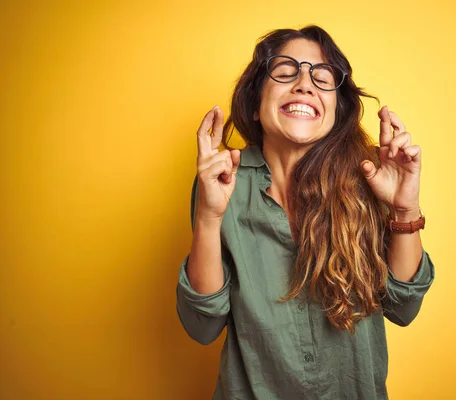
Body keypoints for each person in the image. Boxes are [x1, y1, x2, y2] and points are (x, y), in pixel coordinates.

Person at [176, 25, 435, 400]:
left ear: (335, 110)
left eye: (323, 77)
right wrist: (208, 217)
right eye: (284, 71)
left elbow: (404, 308)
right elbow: (202, 326)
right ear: (254, 100)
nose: (304, 84)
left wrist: (403, 207)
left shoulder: (370, 180)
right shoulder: (222, 182)